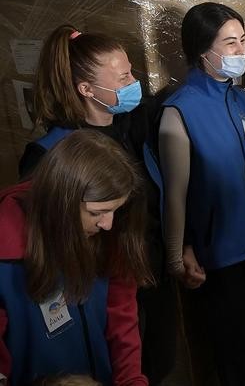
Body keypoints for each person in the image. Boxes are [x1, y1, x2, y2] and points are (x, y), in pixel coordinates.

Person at [18, 25, 176, 385]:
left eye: (132, 71)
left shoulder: (130, 127)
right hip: (98, 294)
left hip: (149, 273)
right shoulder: (51, 155)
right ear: (86, 89)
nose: (134, 82)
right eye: (123, 78)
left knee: (156, 360)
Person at [158, 2, 245, 386]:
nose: (242, 51)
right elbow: (174, 193)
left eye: (243, 41)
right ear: (202, 50)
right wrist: (176, 258)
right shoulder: (179, 111)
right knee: (234, 349)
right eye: (230, 43)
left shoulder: (239, 98)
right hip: (218, 255)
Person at [0, 130, 151, 386]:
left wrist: (131, 380)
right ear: (61, 203)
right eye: (97, 213)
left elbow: (121, 319)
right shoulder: (6, 257)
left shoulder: (108, 232)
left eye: (116, 210)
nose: (108, 224)